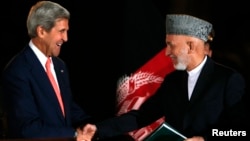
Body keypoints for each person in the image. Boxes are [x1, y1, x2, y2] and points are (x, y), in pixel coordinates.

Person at [77, 14, 248, 141]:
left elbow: (241, 130)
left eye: (171, 45)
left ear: (190, 46)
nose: (167, 53)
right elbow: (141, 117)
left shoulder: (229, 80)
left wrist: (205, 139)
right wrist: (97, 129)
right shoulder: (172, 81)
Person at [1, 1, 94, 139]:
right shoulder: (18, 71)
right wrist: (74, 134)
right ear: (41, 31)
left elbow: (65, 107)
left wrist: (87, 124)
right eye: (61, 31)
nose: (66, 38)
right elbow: (27, 128)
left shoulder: (60, 66)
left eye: (67, 31)